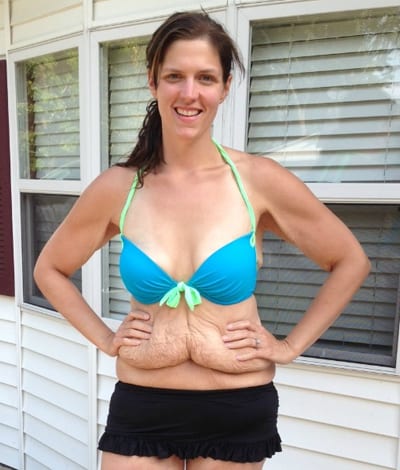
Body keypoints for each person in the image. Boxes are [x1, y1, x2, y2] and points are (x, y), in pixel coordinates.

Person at [33, 10, 371, 470]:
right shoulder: (119, 187)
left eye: (205, 78)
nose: (189, 93)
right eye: (175, 76)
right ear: (153, 81)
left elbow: (350, 260)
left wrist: (289, 346)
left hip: (237, 405)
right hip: (143, 404)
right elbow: (50, 269)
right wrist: (106, 338)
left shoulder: (258, 180)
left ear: (225, 87)